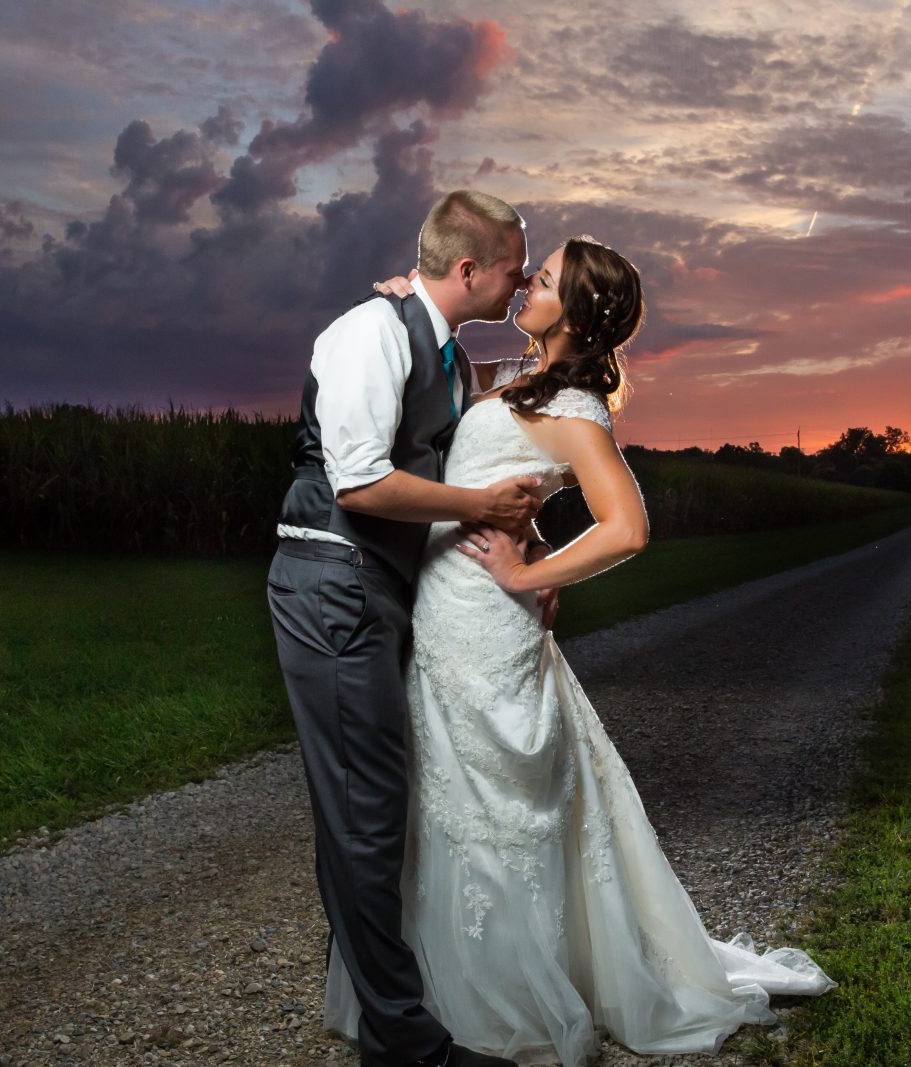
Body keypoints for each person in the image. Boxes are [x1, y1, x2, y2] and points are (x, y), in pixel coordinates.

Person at [323, 237, 836, 1066]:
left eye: (547, 278)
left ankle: (508, 993)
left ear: (579, 311)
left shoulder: (577, 411)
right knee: (443, 787)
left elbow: (627, 527)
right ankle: (437, 982)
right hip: (443, 610)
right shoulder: (519, 379)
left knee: (495, 796)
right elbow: (455, 393)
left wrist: (532, 572)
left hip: (490, 619)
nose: (528, 283)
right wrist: (409, 294)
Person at [268, 189, 554, 1067]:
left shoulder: (442, 350)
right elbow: (358, 484)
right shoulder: (372, 333)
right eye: (513, 267)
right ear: (469, 268)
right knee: (369, 812)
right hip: (333, 582)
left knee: (362, 809)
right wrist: (481, 504)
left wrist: (524, 553)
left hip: (372, 586)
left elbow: (422, 469)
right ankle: (406, 1047)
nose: (518, 284)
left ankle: (371, 998)